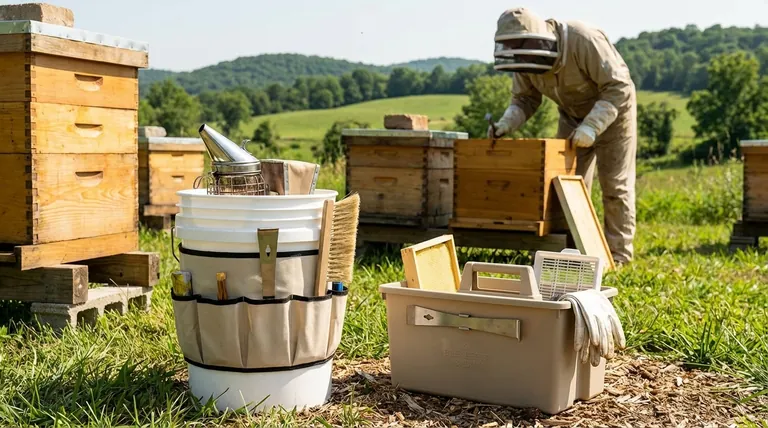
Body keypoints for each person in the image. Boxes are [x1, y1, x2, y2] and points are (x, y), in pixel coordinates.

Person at [489, 7, 637, 266]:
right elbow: (525, 99)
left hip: (614, 114)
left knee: (615, 185)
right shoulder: (525, 57)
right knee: (567, 186)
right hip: (571, 116)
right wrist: (505, 123)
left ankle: (619, 255)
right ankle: (573, 249)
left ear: (536, 37)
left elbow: (618, 86)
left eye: (519, 43)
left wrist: (592, 125)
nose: (517, 49)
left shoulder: (583, 39)